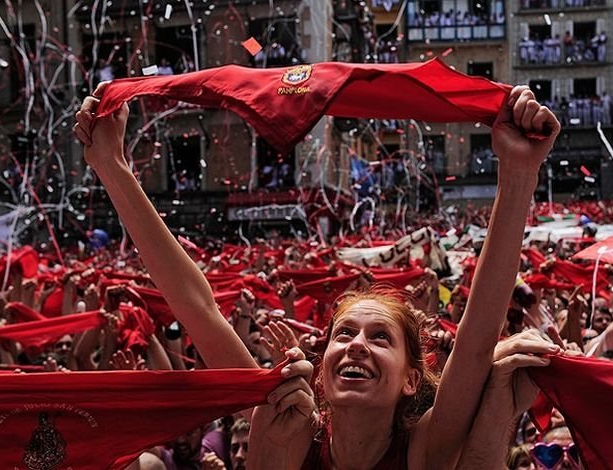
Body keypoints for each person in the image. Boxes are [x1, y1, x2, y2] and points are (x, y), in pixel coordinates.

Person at [74, 83, 561, 469]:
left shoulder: (425, 451)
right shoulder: (288, 429)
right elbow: (198, 309)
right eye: (343, 334)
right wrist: (112, 167)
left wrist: (518, 173)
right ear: (322, 372)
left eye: (380, 338)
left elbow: (477, 339)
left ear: (412, 380)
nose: (355, 345)